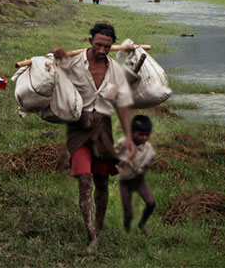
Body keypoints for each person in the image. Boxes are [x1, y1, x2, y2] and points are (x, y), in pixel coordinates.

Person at [51, 23, 135, 252]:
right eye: (98, 45)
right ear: (90, 42)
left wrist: (128, 136)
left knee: (102, 181)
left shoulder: (115, 71)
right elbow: (56, 83)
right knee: (85, 181)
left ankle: (99, 222)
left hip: (103, 130)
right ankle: (92, 237)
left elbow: (123, 106)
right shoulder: (75, 64)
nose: (102, 50)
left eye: (107, 46)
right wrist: (57, 58)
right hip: (78, 129)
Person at [115, 115, 157, 236]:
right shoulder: (123, 143)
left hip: (139, 181)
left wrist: (141, 169)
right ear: (132, 132)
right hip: (125, 181)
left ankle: (142, 223)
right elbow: (113, 154)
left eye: (147, 135)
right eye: (141, 134)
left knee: (151, 203)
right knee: (128, 212)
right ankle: (127, 232)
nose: (144, 137)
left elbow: (151, 162)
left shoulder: (149, 149)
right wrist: (119, 161)